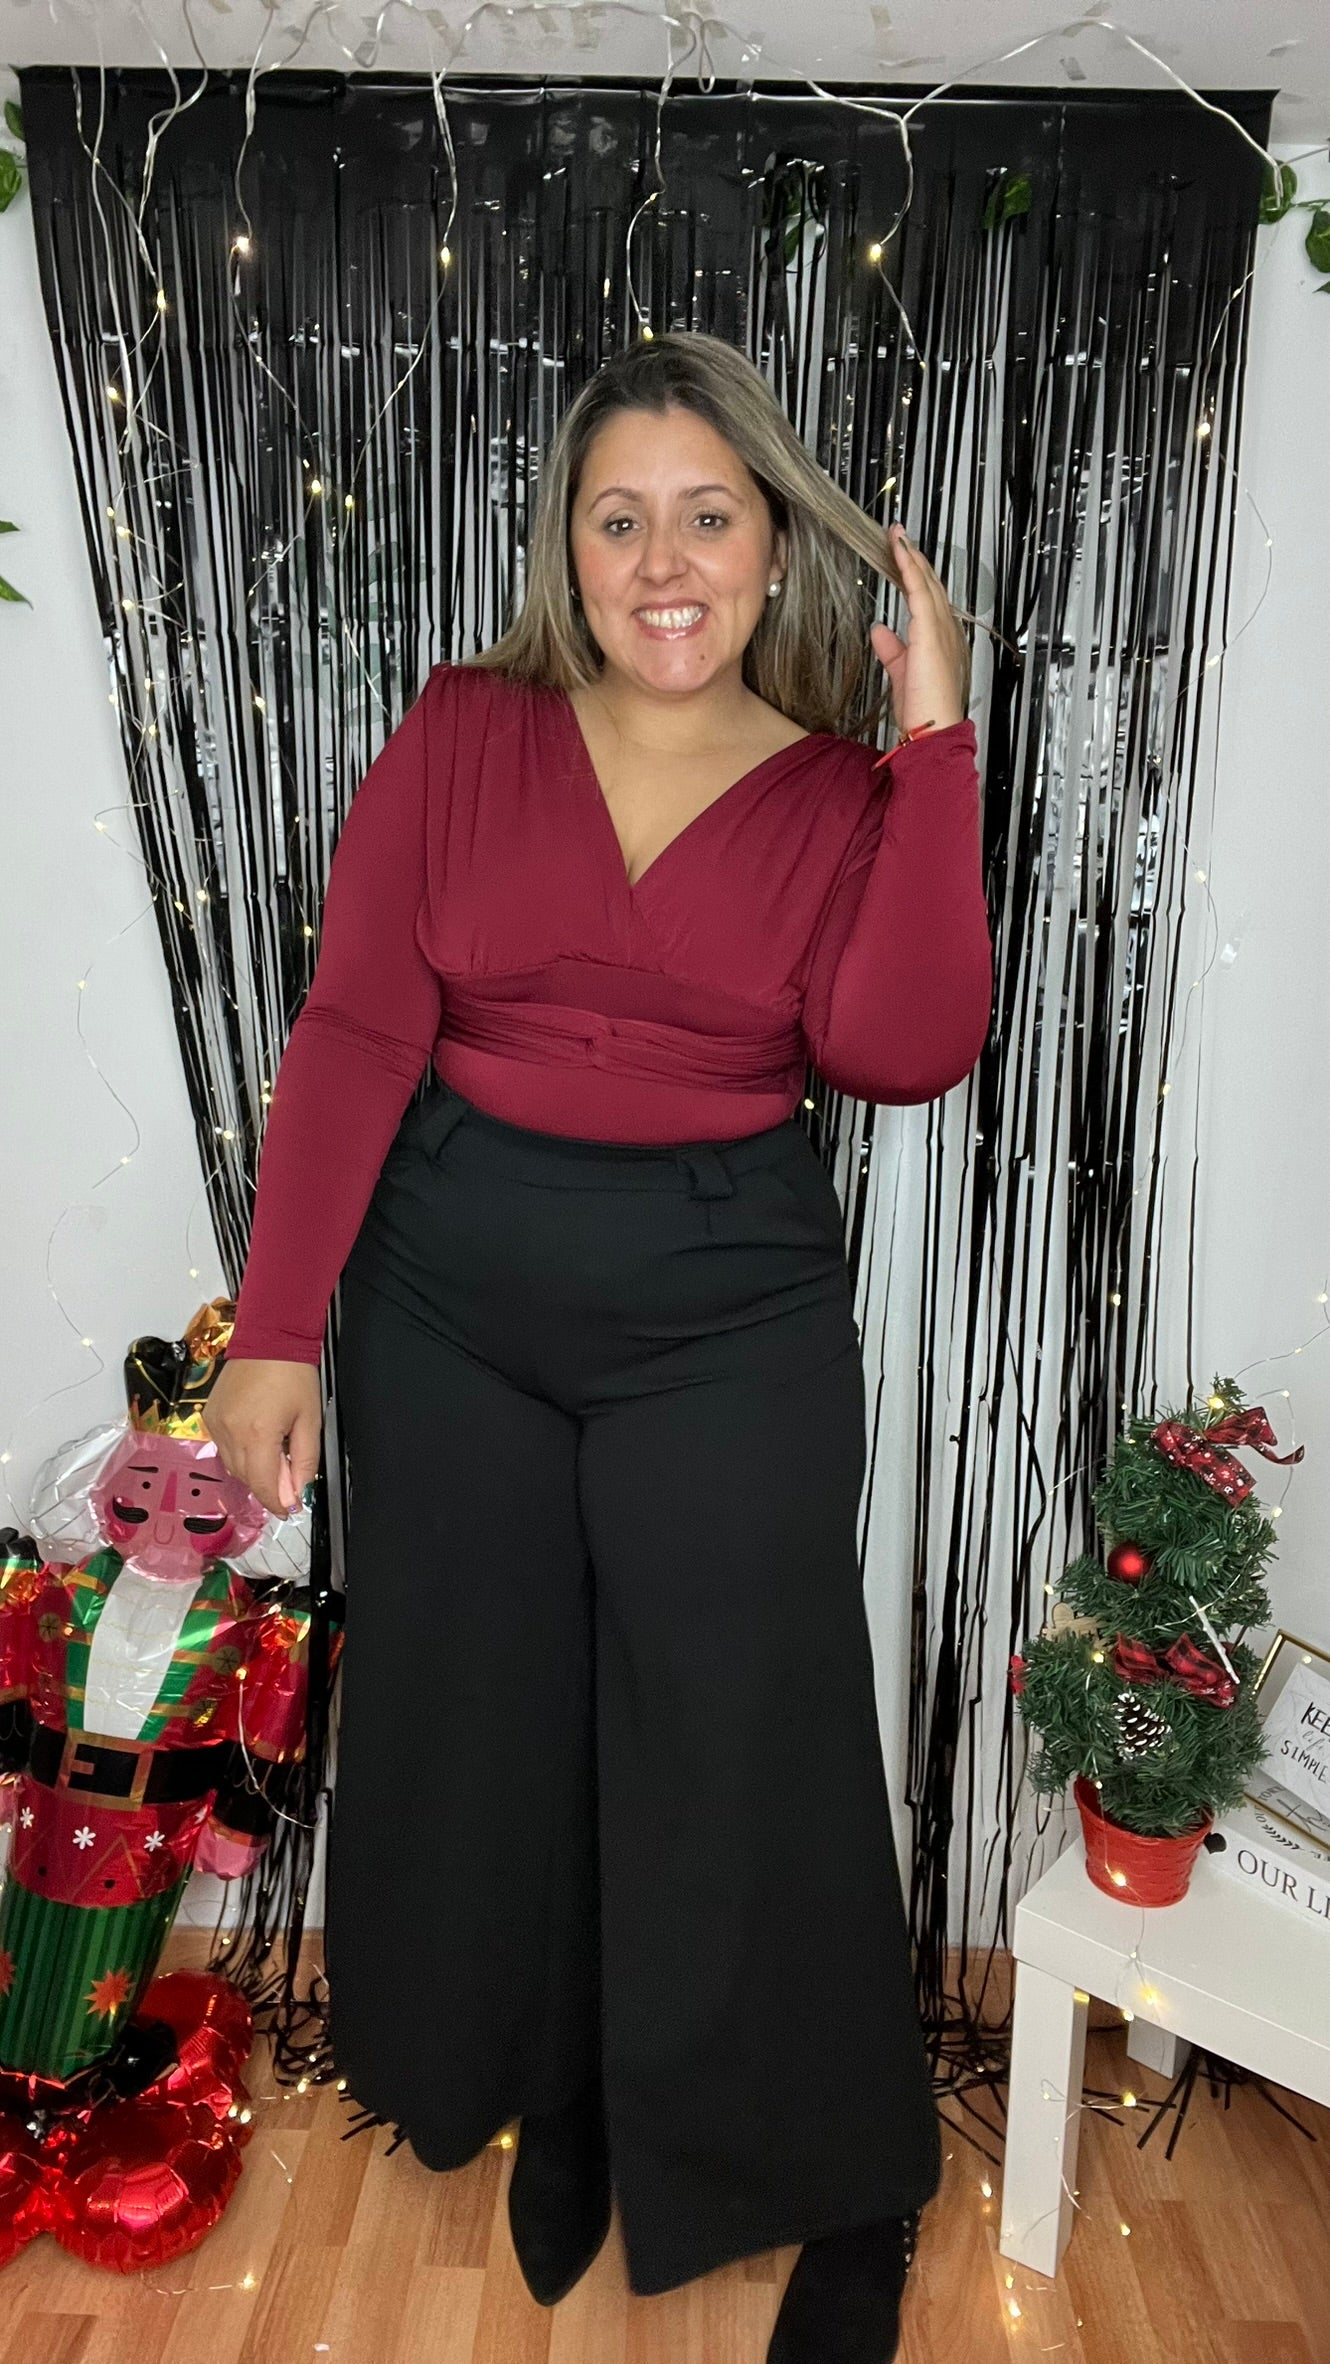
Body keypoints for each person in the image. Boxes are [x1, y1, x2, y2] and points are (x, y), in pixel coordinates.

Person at [203, 329, 992, 2364]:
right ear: (565, 544)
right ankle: (561, 2096)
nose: (662, 562)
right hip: (445, 1293)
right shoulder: (463, 728)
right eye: (618, 516)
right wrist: (277, 1331)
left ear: (773, 545)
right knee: (494, 1718)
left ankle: (846, 2181)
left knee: (745, 1737)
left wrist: (934, 741)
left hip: (720, 1304)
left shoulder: (839, 790)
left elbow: (899, 1048)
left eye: (706, 516)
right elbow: (357, 1026)